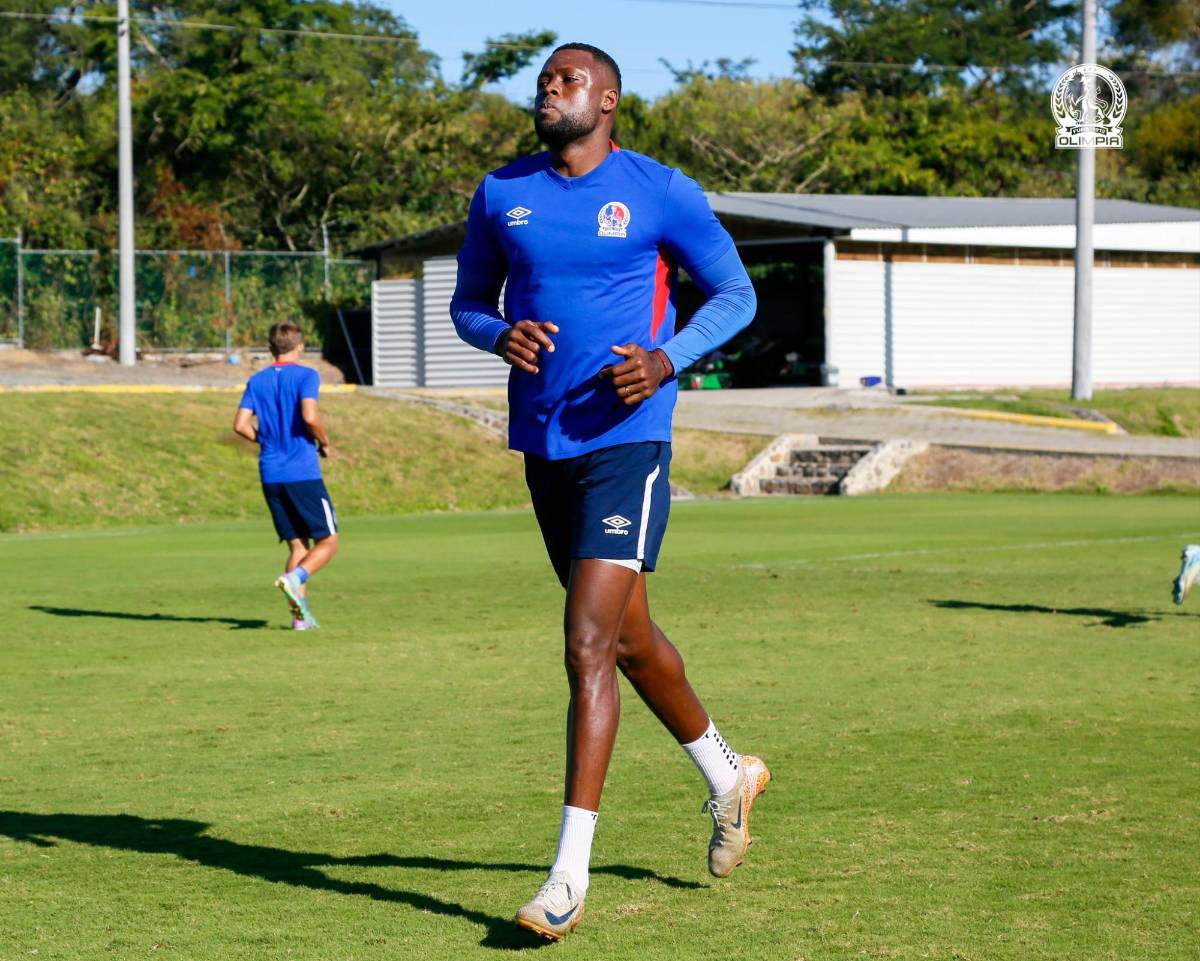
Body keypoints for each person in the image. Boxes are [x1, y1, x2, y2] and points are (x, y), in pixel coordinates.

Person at [450, 42, 768, 941]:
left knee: (586, 643)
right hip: (545, 445)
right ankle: (727, 774)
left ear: (610, 99)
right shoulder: (500, 191)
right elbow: (469, 302)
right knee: (629, 638)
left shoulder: (660, 189)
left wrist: (667, 358)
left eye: (566, 81)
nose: (548, 92)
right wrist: (498, 334)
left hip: (629, 441)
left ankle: (565, 876)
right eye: (544, 81)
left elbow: (735, 295)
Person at [233, 321, 338, 629]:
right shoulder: (307, 375)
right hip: (301, 471)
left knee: (298, 546)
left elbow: (240, 424)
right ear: (300, 346)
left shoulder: (257, 380)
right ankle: (295, 578)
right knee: (329, 541)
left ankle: (300, 619)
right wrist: (325, 442)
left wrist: (264, 440)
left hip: (270, 472)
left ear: (271, 348)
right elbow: (309, 415)